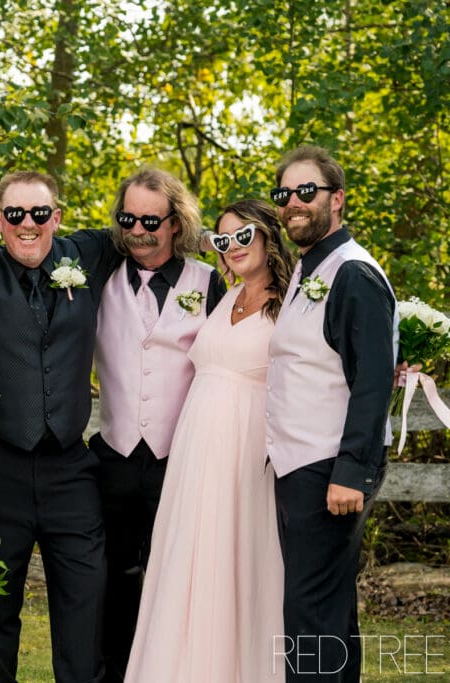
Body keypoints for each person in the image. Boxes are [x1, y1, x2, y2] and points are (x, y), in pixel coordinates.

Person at [0, 171, 120, 683]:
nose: (28, 223)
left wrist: (215, 243)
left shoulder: (86, 254)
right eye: (16, 214)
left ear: (57, 218)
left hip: (70, 467)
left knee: (86, 598)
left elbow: (149, 230)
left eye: (39, 213)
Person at [124, 199, 295, 682]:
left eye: (243, 235)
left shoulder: (292, 302)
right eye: (223, 239)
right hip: (196, 453)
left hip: (246, 453)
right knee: (189, 559)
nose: (233, 247)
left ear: (267, 236)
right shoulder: (226, 295)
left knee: (237, 560)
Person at [89, 168, 226, 682]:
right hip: (115, 455)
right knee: (114, 580)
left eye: (151, 220)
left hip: (181, 459)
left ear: (175, 223)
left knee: (179, 578)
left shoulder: (208, 281)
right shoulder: (97, 278)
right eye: (128, 219)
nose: (138, 230)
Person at [266, 145, 395, 681]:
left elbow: (373, 383)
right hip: (301, 466)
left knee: (310, 613)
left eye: (306, 191)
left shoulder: (353, 273)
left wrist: (351, 472)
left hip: (329, 469)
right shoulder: (309, 266)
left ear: (336, 199)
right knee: (327, 611)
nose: (293, 202)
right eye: (284, 193)